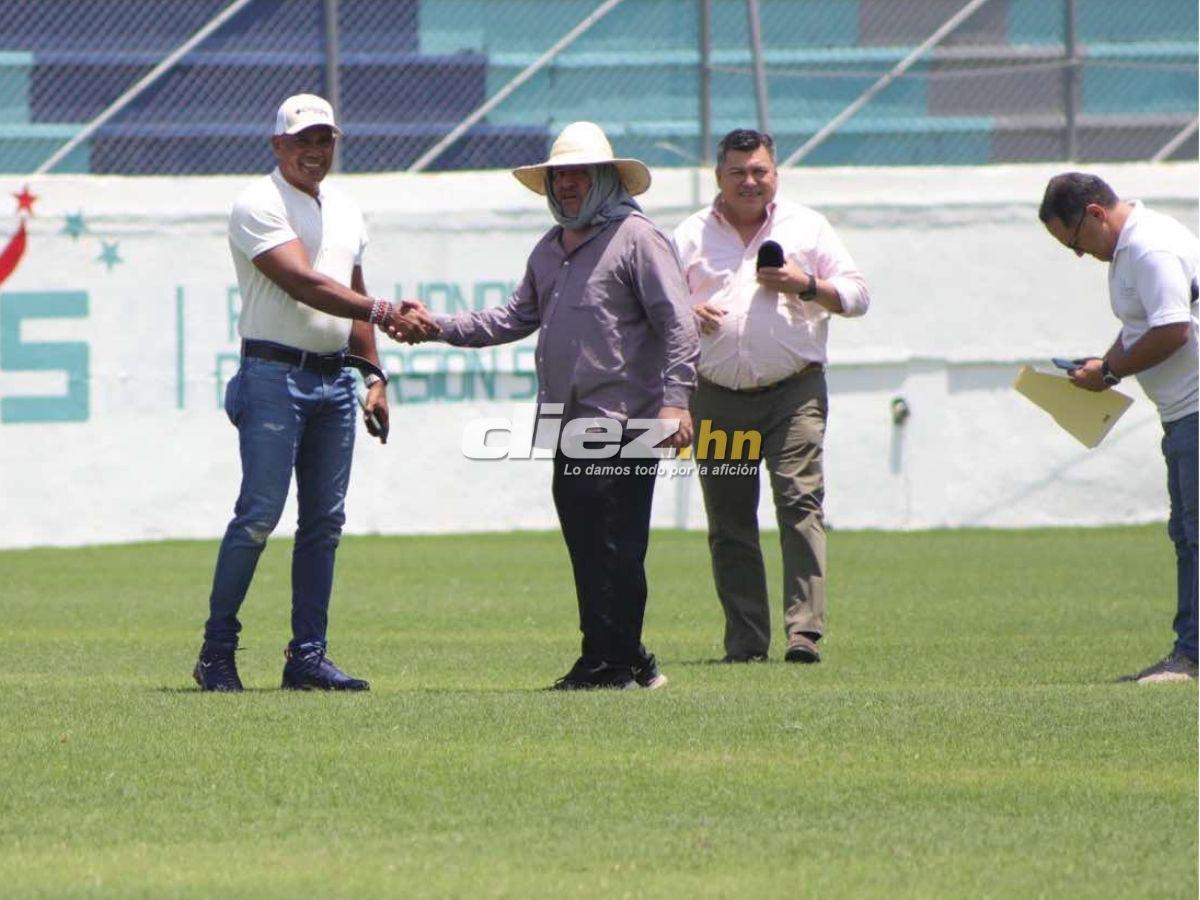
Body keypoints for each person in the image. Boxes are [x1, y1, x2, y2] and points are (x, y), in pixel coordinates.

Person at [404, 121, 699, 690]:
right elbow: (510, 318)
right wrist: (436, 325)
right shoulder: (549, 248)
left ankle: (608, 665)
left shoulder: (637, 238)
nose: (566, 185)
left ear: (606, 179)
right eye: (559, 176)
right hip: (567, 422)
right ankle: (626, 657)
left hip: (626, 418)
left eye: (578, 175)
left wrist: (676, 402)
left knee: (616, 545)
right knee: (588, 545)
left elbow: (679, 323)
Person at [193, 93, 431, 692]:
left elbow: (353, 293)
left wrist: (373, 375)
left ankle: (307, 658)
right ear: (278, 144)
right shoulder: (257, 202)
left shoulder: (346, 208)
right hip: (272, 375)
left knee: (324, 523)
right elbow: (302, 282)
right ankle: (216, 653)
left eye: (324, 139)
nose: (315, 150)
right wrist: (383, 311)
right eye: (303, 140)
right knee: (259, 515)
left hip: (333, 378)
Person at [672, 129, 870, 664]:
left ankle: (804, 632)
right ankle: (746, 643)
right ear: (718, 177)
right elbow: (657, 308)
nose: (749, 181)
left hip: (794, 393)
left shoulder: (808, 226)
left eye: (759, 171)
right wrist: (686, 313)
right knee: (729, 522)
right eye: (737, 172)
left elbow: (857, 296)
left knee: (799, 502)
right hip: (716, 397)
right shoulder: (689, 234)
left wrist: (805, 284)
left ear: (775, 175)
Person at [1039, 172, 1198, 683]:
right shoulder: (1129, 251)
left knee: (1196, 534)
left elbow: (1173, 329)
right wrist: (1101, 365)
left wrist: (1109, 373)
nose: (1079, 254)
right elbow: (1140, 327)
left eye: (1075, 242)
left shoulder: (1149, 247)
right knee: (1187, 534)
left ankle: (1192, 656)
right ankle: (1190, 652)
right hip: (1180, 414)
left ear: (1095, 214)